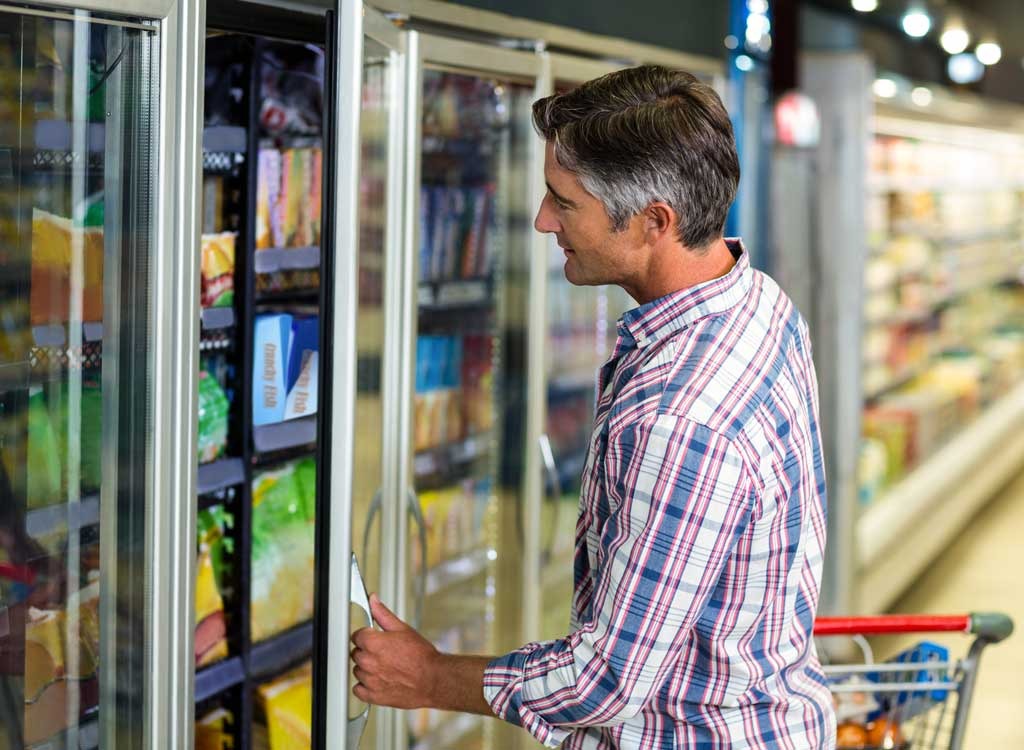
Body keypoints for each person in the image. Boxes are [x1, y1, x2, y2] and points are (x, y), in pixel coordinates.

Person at [351, 65, 837, 749]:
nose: (543, 220)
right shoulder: (755, 300)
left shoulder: (679, 421)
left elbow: (603, 682)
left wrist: (430, 676)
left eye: (564, 202)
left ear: (653, 222)